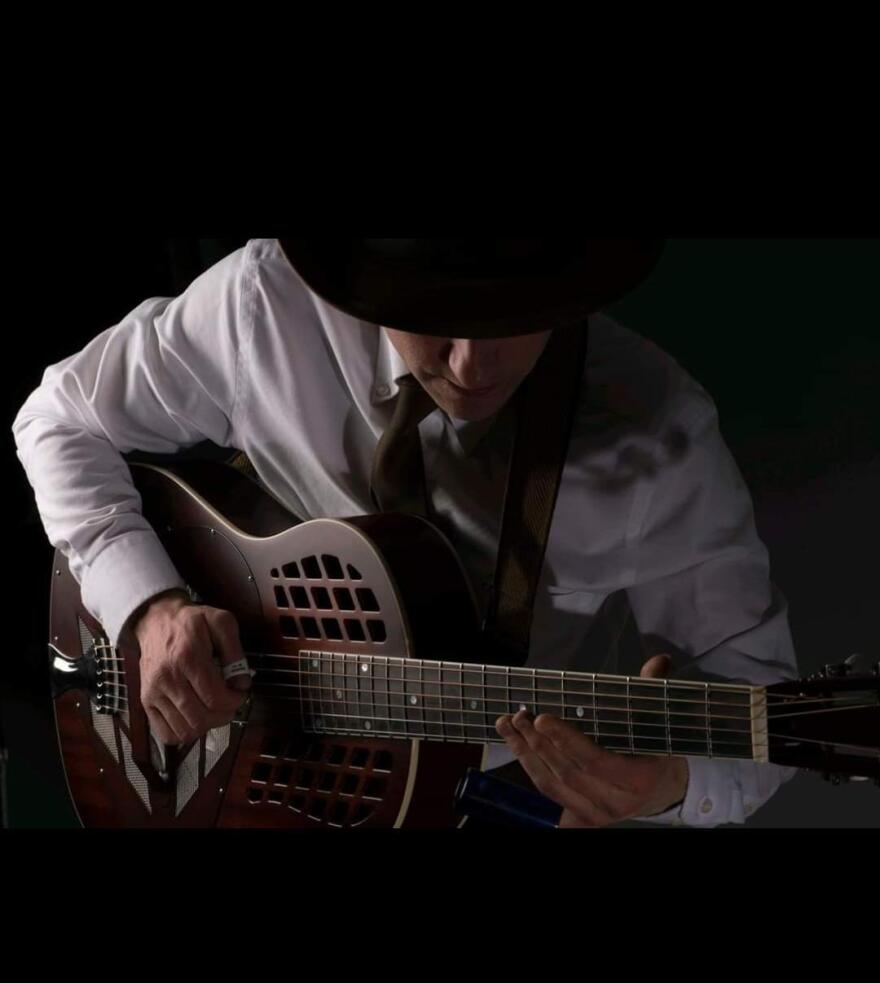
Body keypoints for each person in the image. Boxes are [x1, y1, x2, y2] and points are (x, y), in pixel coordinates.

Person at [12, 237, 798, 828]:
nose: (469, 365)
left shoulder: (661, 429)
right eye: (435, 321)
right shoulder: (266, 311)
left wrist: (662, 786)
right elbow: (57, 418)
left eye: (508, 321)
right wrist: (146, 607)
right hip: (276, 789)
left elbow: (767, 700)